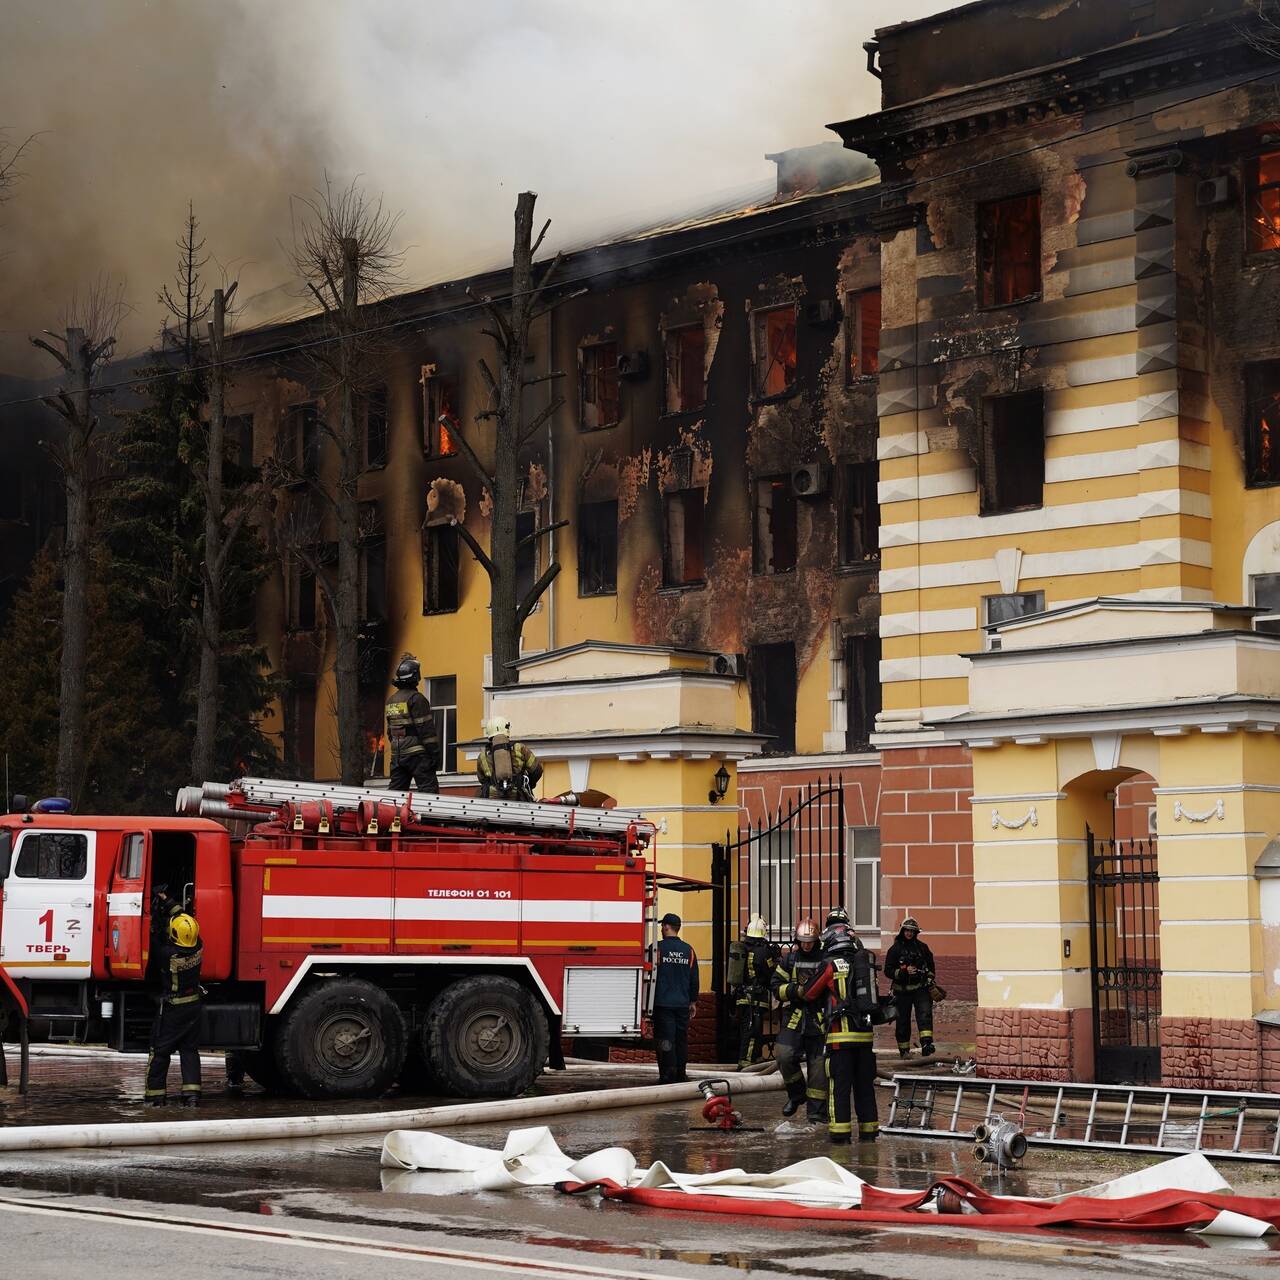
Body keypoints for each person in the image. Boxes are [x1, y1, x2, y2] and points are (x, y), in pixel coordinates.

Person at [802, 921, 878, 1144]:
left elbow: (809, 993)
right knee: (865, 1088)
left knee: (839, 1089)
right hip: (865, 1039)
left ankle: (840, 1136)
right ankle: (869, 1133)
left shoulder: (831, 965)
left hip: (839, 1039)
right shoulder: (865, 962)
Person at [144, 909, 205, 1107]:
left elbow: (156, 941)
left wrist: (153, 925)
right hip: (194, 1006)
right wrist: (171, 905)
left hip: (173, 1009)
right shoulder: (198, 946)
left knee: (160, 1051)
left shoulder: (167, 955)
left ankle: (155, 1097)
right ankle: (192, 1096)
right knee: (189, 1050)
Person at [771, 916, 826, 1122]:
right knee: (784, 1056)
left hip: (819, 1019)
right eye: (802, 941)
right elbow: (776, 987)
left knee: (819, 1068)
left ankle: (816, 1113)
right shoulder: (789, 960)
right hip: (795, 1015)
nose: (806, 945)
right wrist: (797, 990)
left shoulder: (825, 958)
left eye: (809, 942)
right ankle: (796, 1095)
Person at [651, 912, 698, 1084]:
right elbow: (694, 978)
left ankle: (667, 1075)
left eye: (662, 926)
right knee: (681, 1039)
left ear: (666, 926)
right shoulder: (689, 950)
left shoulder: (656, 948)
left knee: (665, 1040)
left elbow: (648, 974)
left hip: (663, 1004)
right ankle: (681, 1074)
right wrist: (693, 1002)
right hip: (682, 1004)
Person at [385, 654, 440, 793]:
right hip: (417, 755)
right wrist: (434, 754)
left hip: (397, 755)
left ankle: (391, 814)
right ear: (415, 676)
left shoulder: (391, 700)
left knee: (395, 794)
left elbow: (389, 732)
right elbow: (426, 730)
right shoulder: (417, 699)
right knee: (429, 791)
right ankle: (429, 815)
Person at [885, 916, 936, 1058]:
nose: (909, 933)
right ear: (902, 931)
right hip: (902, 992)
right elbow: (888, 970)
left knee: (925, 1015)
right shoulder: (894, 950)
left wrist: (930, 978)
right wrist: (903, 971)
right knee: (902, 1021)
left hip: (921, 989)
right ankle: (904, 1050)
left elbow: (931, 966)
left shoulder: (922, 948)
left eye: (912, 931)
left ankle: (927, 1044)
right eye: (907, 930)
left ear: (916, 933)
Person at [732, 915, 777, 1069]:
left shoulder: (744, 948)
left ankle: (753, 1058)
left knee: (748, 1029)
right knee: (753, 1031)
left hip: (743, 996)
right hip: (756, 998)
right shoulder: (763, 952)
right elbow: (770, 973)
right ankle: (746, 1063)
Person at [476, 716, 544, 800]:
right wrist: (528, 784)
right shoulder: (519, 748)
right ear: (506, 730)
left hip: (492, 799)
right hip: (518, 797)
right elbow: (537, 770)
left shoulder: (482, 756)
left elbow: (482, 780)